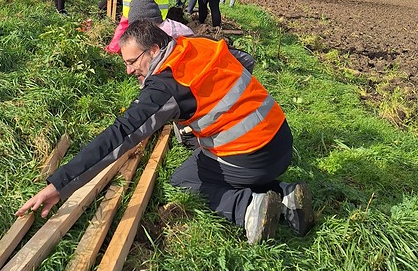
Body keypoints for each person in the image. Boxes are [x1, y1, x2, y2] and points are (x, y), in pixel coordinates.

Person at [17, 19, 315, 245]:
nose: (129, 70)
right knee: (200, 151)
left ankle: (249, 206)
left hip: (250, 157)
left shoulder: (166, 85)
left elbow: (121, 134)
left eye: (132, 62)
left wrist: (60, 184)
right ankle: (285, 194)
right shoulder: (197, 45)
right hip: (281, 142)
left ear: (155, 50)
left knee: (183, 179)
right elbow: (244, 60)